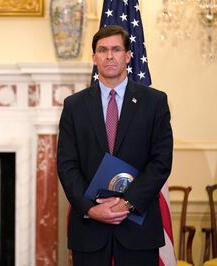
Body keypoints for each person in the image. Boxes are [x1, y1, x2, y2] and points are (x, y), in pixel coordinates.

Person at [57, 25, 173, 266]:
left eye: (116, 49)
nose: (109, 56)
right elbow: (67, 165)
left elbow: (161, 161)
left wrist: (127, 202)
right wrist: (90, 209)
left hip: (138, 227)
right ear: (94, 58)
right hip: (89, 229)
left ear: (128, 56)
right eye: (102, 50)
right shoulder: (74, 106)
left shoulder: (154, 102)